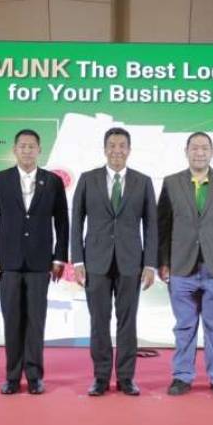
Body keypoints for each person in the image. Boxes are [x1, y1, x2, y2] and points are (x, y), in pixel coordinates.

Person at [158, 131, 213, 397]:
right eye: (194, 147)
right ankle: (182, 376)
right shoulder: (171, 182)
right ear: (186, 151)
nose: (199, 152)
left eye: (204, 147)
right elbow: (163, 226)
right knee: (184, 326)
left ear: (212, 152)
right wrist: (163, 262)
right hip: (181, 266)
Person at [0, 129, 69, 395]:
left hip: (41, 262)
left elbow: (62, 222)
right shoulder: (0, 180)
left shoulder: (52, 181)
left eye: (32, 146)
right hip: (7, 262)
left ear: (39, 150)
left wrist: (59, 257)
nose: (27, 150)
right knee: (12, 321)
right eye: (22, 146)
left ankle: (34, 376)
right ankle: (11, 377)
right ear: (15, 149)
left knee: (35, 321)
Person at [71, 127, 157, 396]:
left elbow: (151, 226)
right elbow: (77, 221)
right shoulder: (88, 179)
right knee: (99, 321)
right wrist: (77, 261)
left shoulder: (143, 181)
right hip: (95, 261)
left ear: (129, 150)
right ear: (104, 148)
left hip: (131, 262)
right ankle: (100, 377)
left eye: (122, 145)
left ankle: (126, 378)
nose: (117, 150)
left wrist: (150, 264)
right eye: (112, 145)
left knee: (127, 322)